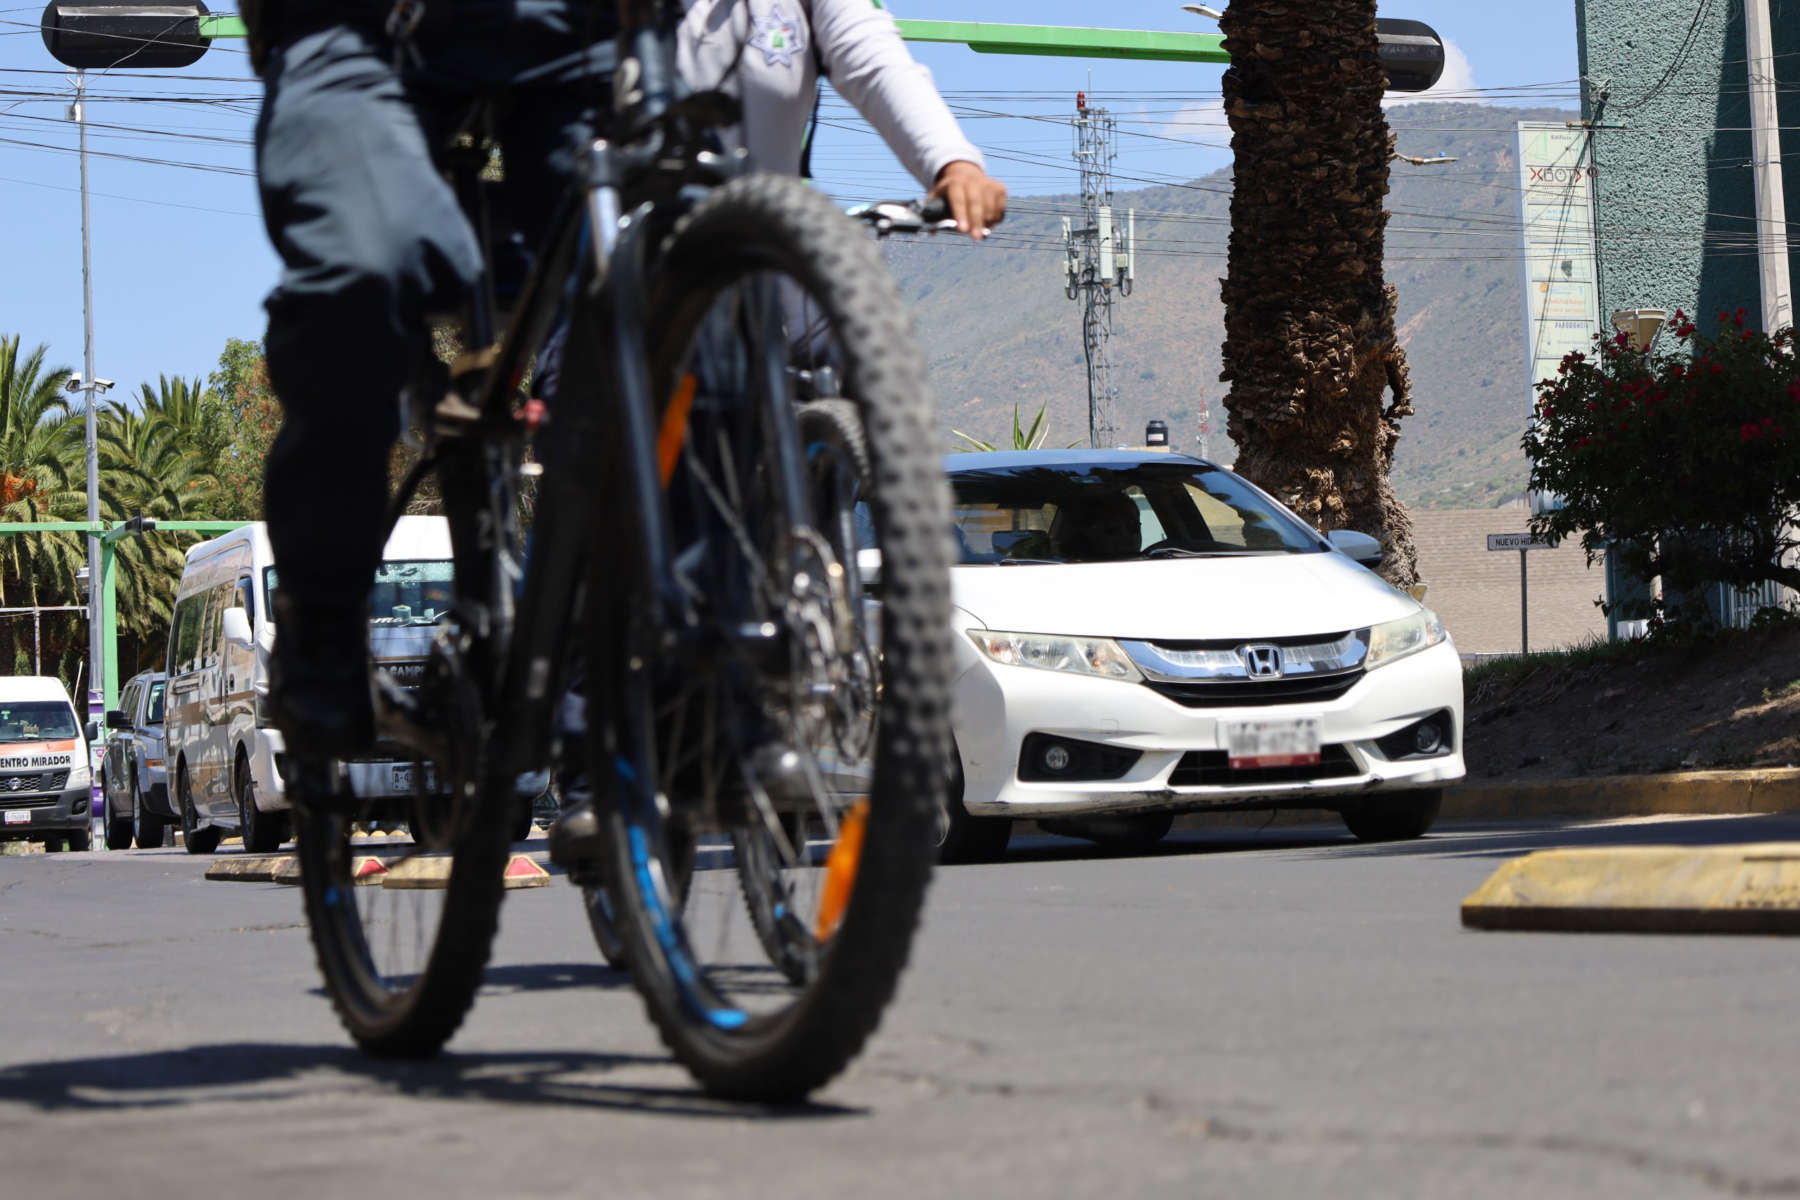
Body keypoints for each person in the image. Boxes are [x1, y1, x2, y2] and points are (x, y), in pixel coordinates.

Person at [252, 0, 1007, 761]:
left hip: (585, 69)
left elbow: (870, 51)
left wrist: (950, 158)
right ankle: (339, 644)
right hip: (379, 35)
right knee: (363, 293)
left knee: (658, 307)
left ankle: (704, 697)